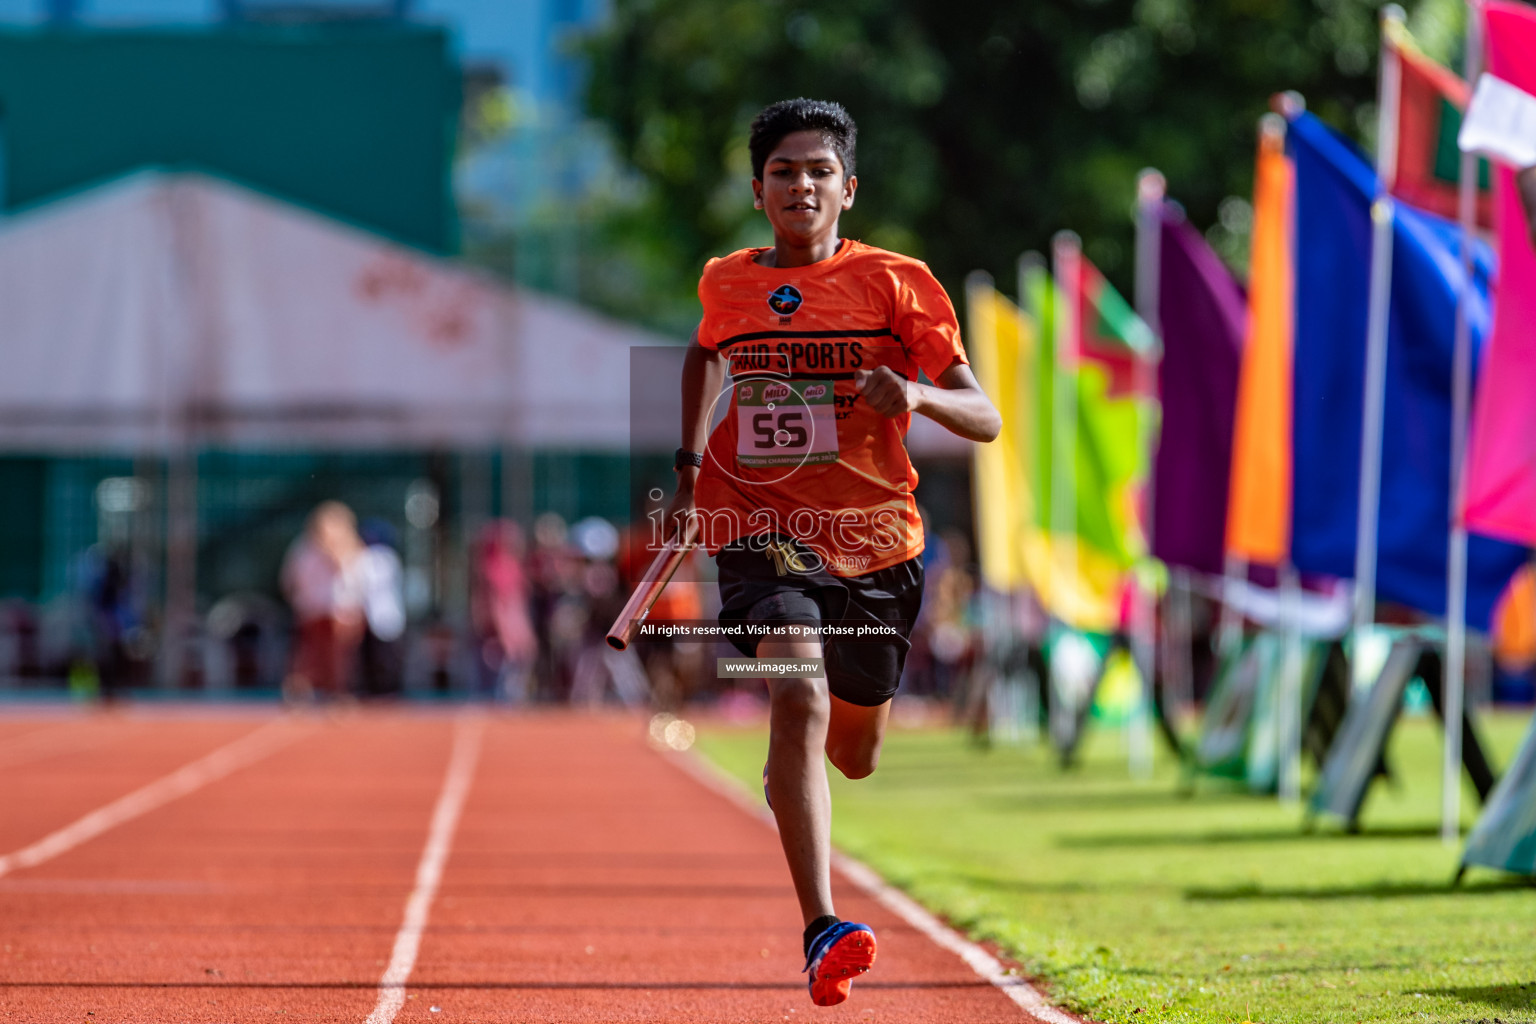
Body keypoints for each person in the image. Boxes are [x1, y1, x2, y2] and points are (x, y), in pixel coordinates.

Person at [665, 98, 999, 1007]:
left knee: (850, 752)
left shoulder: (899, 284)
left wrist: (918, 399)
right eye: (783, 171)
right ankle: (822, 924)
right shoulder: (725, 283)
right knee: (795, 684)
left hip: (876, 543)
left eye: (818, 171)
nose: (800, 185)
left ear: (848, 189)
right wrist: (693, 458)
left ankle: (797, 776)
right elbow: (702, 357)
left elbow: (987, 417)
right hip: (760, 529)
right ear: (758, 188)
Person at [281, 501, 366, 701]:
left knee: (339, 657)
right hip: (315, 610)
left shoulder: (351, 547)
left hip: (340, 612)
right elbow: (291, 578)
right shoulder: (305, 547)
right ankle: (302, 690)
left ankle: (336, 692)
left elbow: (358, 579)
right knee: (313, 655)